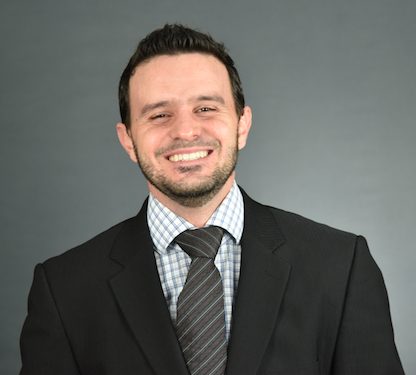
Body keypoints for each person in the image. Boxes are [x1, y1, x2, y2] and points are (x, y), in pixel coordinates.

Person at [20, 24, 404, 375]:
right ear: (127, 141)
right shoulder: (64, 290)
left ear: (242, 125)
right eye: (158, 115)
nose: (186, 131)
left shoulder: (341, 266)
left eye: (205, 108)